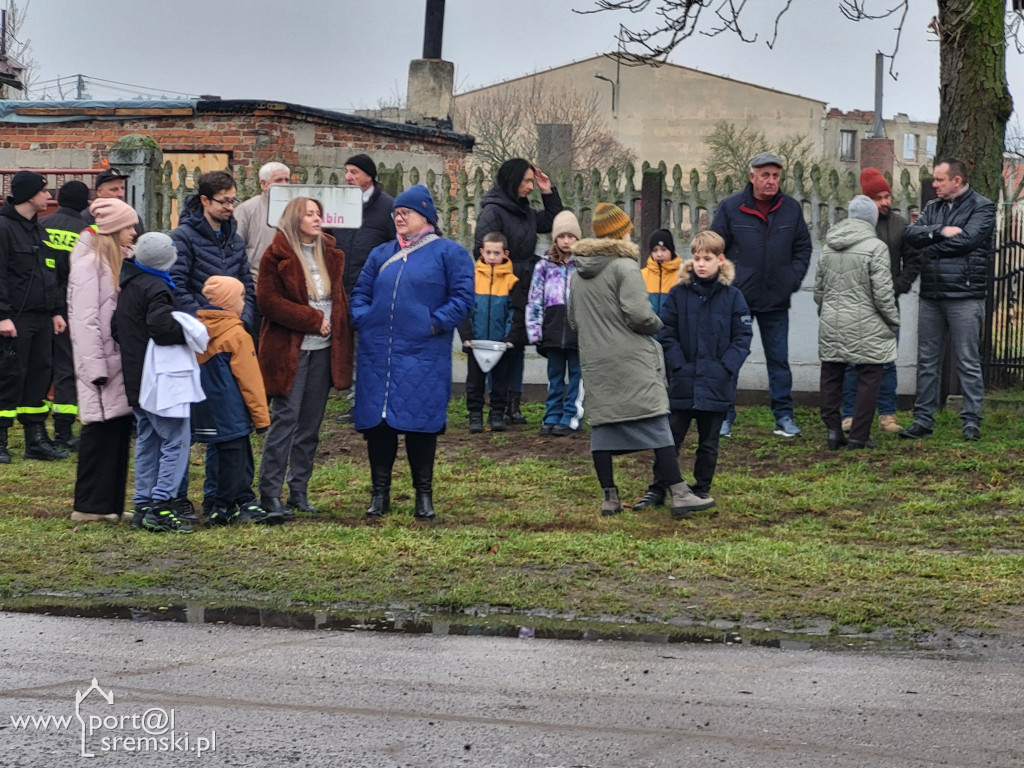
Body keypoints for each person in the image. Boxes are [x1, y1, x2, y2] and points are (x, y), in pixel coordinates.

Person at [568, 202, 713, 519]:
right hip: (631, 359)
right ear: (620, 233)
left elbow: (574, 321)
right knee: (658, 424)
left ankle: (610, 498)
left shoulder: (577, 273)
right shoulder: (624, 267)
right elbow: (638, 315)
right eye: (627, 228)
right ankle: (680, 493)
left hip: (595, 360)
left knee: (603, 429)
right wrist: (659, 326)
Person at [350, 184, 474, 521]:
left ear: (426, 217)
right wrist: (364, 319)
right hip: (379, 353)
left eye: (406, 211)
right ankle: (380, 494)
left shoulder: (450, 253)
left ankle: (424, 495)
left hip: (422, 352)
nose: (399, 216)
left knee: (422, 425)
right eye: (396, 212)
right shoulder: (381, 254)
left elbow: (463, 298)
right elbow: (360, 292)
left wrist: (434, 324)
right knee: (379, 426)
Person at [635, 231, 752, 511]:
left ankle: (701, 489)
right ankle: (659, 488)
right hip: (683, 381)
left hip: (717, 382)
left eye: (708, 259)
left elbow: (742, 337)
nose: (701, 264)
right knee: (669, 439)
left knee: (708, 443)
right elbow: (667, 331)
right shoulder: (678, 294)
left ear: (720, 260)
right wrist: (679, 365)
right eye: (697, 258)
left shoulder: (734, 297)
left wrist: (725, 368)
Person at [257, 197, 353, 517]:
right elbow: (268, 302)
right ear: (295, 219)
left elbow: (338, 301)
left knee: (310, 426)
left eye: (318, 213)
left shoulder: (330, 254)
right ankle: (270, 493)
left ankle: (299, 490)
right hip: (290, 352)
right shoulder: (277, 254)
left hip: (324, 352)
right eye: (309, 214)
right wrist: (312, 320)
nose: (316, 218)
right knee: (284, 421)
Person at [170, 170, 255, 513]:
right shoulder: (184, 237)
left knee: (231, 421)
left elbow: (246, 284)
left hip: (232, 336)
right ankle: (176, 497)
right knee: (191, 424)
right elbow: (177, 285)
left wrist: (241, 322)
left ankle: (221, 496)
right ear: (204, 200)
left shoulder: (234, 239)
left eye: (233, 200)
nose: (230, 207)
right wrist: (205, 324)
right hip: (198, 340)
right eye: (223, 201)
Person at [711, 151, 812, 438]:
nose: (771, 181)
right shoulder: (731, 208)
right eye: (765, 175)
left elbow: (802, 248)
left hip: (775, 299)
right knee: (731, 358)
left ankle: (783, 416)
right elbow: (715, 248)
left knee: (778, 359)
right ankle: (724, 416)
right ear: (752, 176)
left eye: (776, 176)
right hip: (737, 299)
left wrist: (790, 280)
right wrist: (727, 283)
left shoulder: (791, 209)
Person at [900, 158, 996, 442]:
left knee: (967, 359)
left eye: (940, 180)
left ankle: (970, 422)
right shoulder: (933, 207)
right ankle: (922, 420)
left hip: (966, 294)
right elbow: (911, 235)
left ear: (957, 180)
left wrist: (931, 243)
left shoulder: (983, 207)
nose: (935, 184)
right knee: (928, 360)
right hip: (931, 293)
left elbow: (968, 241)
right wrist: (939, 231)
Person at [113, 232, 193, 532]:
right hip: (160, 379)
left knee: (148, 439)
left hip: (135, 376)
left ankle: (142, 503)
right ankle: (162, 504)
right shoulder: (159, 288)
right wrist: (188, 329)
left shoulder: (129, 285)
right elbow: (160, 327)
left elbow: (115, 329)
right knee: (176, 438)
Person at [473, 158, 563, 425]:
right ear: (513, 182)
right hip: (502, 287)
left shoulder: (523, 209)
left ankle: (514, 404)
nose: (530, 187)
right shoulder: (493, 212)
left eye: (532, 181)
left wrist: (549, 192)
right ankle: (494, 403)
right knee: (501, 344)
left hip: (526, 283)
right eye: (527, 181)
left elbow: (551, 221)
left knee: (519, 343)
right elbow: (482, 250)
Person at [65, 198, 138, 523]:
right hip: (101, 366)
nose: (134, 233)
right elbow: (85, 321)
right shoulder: (88, 265)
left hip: (119, 362)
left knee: (119, 432)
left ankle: (111, 504)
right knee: (98, 432)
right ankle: (89, 506)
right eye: (129, 227)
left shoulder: (120, 261)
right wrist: (95, 368)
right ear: (112, 230)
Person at [839, 168, 921, 435]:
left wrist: (896, 287)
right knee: (853, 362)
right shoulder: (851, 227)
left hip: (888, 305)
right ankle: (850, 415)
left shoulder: (900, 225)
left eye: (887, 196)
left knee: (887, 362)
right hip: (857, 304)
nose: (885, 202)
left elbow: (912, 261)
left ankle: (887, 416)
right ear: (866, 199)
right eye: (878, 198)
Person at [815, 195, 900, 450]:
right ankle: (859, 436)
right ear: (872, 219)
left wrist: (826, 312)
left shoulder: (829, 245)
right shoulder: (876, 247)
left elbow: (818, 290)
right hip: (868, 323)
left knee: (831, 373)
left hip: (832, 319)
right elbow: (883, 293)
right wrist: (892, 321)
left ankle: (833, 430)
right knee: (869, 376)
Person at [193, 276, 277, 526]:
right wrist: (261, 417)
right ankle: (226, 506)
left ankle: (226, 499)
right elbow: (250, 381)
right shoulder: (237, 335)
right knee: (237, 457)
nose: (244, 302)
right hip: (232, 411)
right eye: (241, 297)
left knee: (217, 453)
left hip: (204, 410)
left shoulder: (197, 330)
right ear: (229, 302)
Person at [0, 171, 68, 464]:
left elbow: (48, 273)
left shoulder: (39, 230)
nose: (49, 197)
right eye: (44, 192)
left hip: (41, 318)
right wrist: (2, 316)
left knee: (41, 374)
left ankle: (36, 439)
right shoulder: (3, 229)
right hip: (14, 318)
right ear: (29, 195)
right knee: (9, 376)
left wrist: (55, 311)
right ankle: (0, 440)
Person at [42, 180, 91, 452]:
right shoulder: (85, 232)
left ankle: (35, 428)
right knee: (66, 367)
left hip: (40, 305)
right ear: (85, 203)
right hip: (71, 307)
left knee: (37, 366)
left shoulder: (41, 226)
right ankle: (64, 429)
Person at [527, 210, 582, 436]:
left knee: (577, 374)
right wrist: (535, 330)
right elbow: (535, 297)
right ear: (555, 239)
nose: (566, 241)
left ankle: (571, 415)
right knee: (555, 374)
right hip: (552, 328)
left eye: (571, 236)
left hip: (578, 330)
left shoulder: (585, 265)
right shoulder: (544, 266)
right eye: (562, 236)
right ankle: (552, 413)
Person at [458, 231, 519, 434]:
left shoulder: (511, 281)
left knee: (500, 381)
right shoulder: (471, 278)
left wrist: (509, 337)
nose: (492, 256)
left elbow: (515, 311)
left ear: (505, 254)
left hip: (500, 343)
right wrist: (466, 336)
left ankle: (497, 415)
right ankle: (475, 415)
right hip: (476, 342)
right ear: (482, 252)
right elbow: (464, 309)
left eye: (497, 252)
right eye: (489, 252)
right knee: (474, 382)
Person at [234, 161, 290, 348]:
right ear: (264, 184)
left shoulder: (296, 210)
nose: (284, 184)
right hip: (257, 287)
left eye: (286, 180)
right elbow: (236, 248)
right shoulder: (247, 210)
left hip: (288, 289)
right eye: (278, 180)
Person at [330, 154, 396, 297]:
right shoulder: (337, 202)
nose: (348, 177)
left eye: (354, 172)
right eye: (346, 171)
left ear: (369, 176)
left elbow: (396, 243)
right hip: (337, 285)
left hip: (370, 286)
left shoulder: (387, 206)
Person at [81, 167, 145, 237]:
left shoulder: (133, 217)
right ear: (99, 192)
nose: (121, 194)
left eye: (122, 188)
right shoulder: (86, 218)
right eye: (114, 190)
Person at [641, 228, 683, 315]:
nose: (659, 254)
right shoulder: (642, 275)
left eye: (663, 249)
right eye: (655, 250)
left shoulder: (682, 275)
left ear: (671, 251)